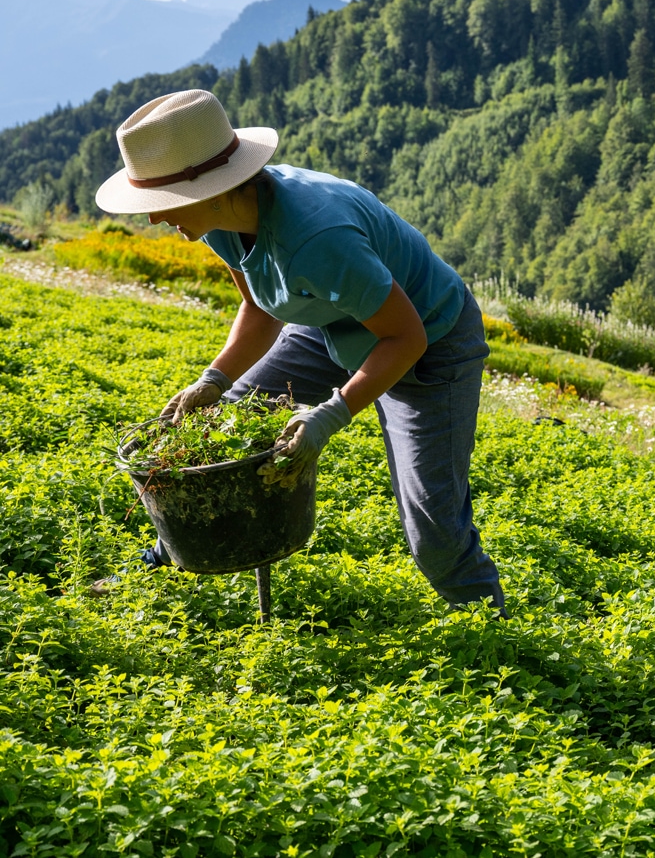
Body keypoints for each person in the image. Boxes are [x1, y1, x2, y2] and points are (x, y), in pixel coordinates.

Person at [94, 89, 505, 612]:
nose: (155, 220)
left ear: (213, 187)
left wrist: (330, 415)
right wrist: (214, 381)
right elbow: (262, 308)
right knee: (228, 431)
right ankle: (163, 562)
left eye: (163, 203)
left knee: (434, 528)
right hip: (327, 320)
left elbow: (406, 338)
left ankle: (497, 639)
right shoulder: (223, 219)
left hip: (428, 342)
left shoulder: (317, 237)